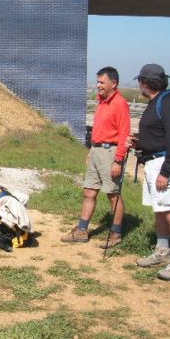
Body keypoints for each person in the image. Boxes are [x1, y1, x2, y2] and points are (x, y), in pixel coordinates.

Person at [61, 66, 131, 249]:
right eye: (97, 81)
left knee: (112, 193)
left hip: (111, 152)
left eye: (101, 82)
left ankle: (116, 233)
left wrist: (118, 160)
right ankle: (82, 231)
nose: (97, 85)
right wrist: (92, 150)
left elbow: (124, 134)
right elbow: (99, 130)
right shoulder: (101, 101)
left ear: (113, 83)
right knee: (89, 191)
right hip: (97, 151)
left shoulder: (120, 103)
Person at [130, 64, 170, 281]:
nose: (139, 84)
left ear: (146, 82)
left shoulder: (166, 102)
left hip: (163, 164)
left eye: (140, 81)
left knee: (169, 210)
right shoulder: (156, 102)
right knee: (160, 209)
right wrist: (140, 143)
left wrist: (166, 171)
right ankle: (162, 250)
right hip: (153, 161)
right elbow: (158, 134)